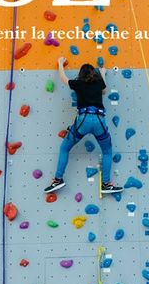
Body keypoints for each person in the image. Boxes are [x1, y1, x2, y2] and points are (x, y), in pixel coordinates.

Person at [43, 58, 124, 195]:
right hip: (99, 120)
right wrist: (102, 73)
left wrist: (61, 64)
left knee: (64, 148)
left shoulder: (78, 84)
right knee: (107, 152)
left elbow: (64, 79)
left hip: (83, 120)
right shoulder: (98, 83)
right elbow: (105, 90)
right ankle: (106, 184)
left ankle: (57, 179)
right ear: (94, 74)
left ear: (80, 74)